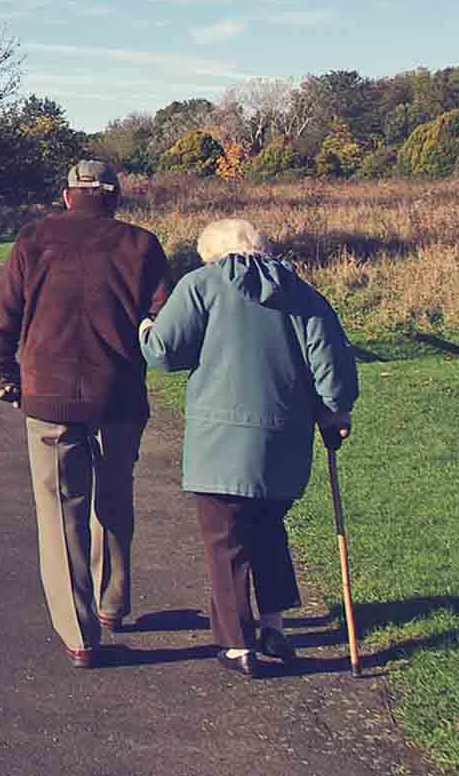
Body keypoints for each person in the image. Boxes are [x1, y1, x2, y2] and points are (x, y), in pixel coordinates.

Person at [140, 216, 358, 679]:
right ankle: (274, 625)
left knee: (225, 540)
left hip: (219, 442)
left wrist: (144, 327)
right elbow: (331, 363)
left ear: (213, 253)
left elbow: (163, 352)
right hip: (284, 438)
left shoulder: (201, 285)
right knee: (268, 530)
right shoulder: (302, 292)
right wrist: (336, 411)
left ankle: (238, 643)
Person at [0, 159, 174, 669]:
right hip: (119, 395)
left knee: (60, 512)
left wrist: (4, 372)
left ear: (68, 196)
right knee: (114, 497)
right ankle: (113, 602)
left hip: (48, 396)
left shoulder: (33, 239)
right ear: (114, 197)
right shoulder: (142, 245)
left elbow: (2, 313)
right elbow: (164, 319)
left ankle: (80, 634)